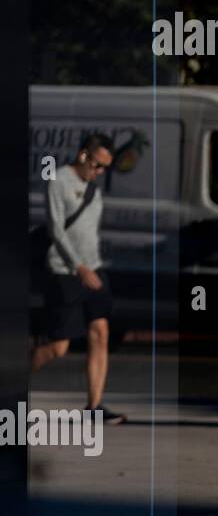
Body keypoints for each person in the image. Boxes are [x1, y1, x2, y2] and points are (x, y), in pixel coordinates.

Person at [30, 133, 127, 424]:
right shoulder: (58, 181)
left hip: (94, 271)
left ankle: (94, 407)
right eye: (97, 165)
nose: (100, 172)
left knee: (100, 333)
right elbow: (56, 229)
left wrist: (91, 266)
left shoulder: (93, 188)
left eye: (105, 168)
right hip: (65, 271)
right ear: (83, 155)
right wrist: (78, 267)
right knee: (57, 347)